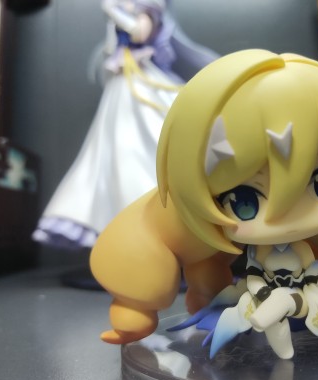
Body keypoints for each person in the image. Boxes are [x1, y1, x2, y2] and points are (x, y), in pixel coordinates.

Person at [90, 49, 318, 347]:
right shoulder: (181, 215)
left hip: (308, 304)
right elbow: (146, 236)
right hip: (249, 303)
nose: (290, 219)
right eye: (246, 200)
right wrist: (136, 303)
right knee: (208, 271)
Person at [33, 0, 218, 249]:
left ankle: (161, 216)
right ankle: (124, 222)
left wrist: (113, 12)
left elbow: (140, 33)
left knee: (144, 143)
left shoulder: (145, 9)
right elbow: (113, 47)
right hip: (122, 85)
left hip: (140, 82)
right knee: (111, 152)